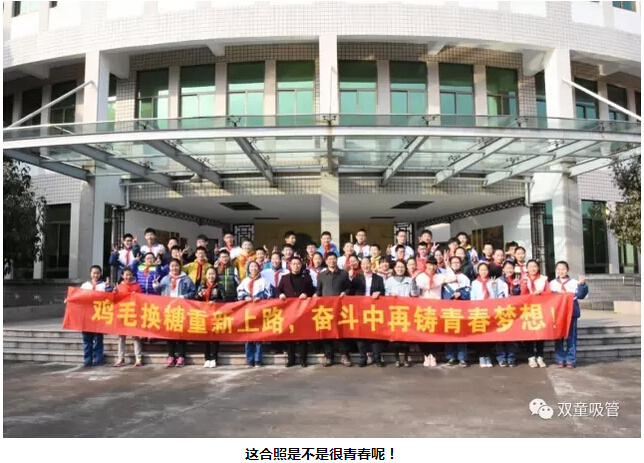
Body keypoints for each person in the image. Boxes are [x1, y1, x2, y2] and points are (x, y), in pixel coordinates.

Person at [154, 258, 196, 367]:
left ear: (180, 267)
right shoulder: (165, 279)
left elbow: (193, 291)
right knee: (170, 333)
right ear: (169, 267)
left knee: (181, 333)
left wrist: (184, 297)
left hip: (181, 309)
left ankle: (181, 356)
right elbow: (159, 292)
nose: (174, 268)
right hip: (169, 309)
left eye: (176, 266)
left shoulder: (186, 279)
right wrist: (156, 285)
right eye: (172, 266)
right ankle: (171, 356)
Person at [415, 256, 457, 367]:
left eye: (433, 265)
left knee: (436, 333)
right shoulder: (420, 276)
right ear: (426, 265)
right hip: (423, 308)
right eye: (429, 265)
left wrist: (447, 266)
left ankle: (433, 355)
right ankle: (426, 354)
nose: (431, 267)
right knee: (423, 333)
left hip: (436, 308)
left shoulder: (439, 277)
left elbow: (453, 277)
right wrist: (426, 287)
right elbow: (416, 288)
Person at [315, 252, 352, 367]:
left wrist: (345, 292)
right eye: (329, 259)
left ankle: (344, 355)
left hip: (340, 307)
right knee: (327, 332)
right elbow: (318, 291)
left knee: (342, 331)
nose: (332, 261)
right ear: (326, 261)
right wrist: (314, 296)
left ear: (337, 260)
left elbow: (349, 288)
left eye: (334, 259)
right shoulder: (322, 275)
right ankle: (328, 356)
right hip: (326, 309)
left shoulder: (343, 274)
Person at [277, 256, 315, 367]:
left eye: (298, 264)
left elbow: (312, 290)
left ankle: (303, 360)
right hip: (289, 311)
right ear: (290, 265)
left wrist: (306, 294)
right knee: (290, 336)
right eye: (293, 264)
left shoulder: (306, 277)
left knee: (303, 336)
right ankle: (291, 360)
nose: (296, 266)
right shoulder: (284, 278)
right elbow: (278, 290)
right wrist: (281, 294)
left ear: (301, 265)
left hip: (303, 310)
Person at [550, 261, 588, 369]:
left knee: (571, 337)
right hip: (558, 314)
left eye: (563, 269)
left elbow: (580, 295)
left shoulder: (574, 282)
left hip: (571, 313)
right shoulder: (552, 283)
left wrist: (582, 285)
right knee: (558, 337)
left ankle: (571, 360)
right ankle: (560, 359)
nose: (561, 271)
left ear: (567, 270)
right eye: (559, 269)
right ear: (556, 270)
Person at [471, 262, 508, 368]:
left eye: (485, 270)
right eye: (481, 270)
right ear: (478, 271)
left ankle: (488, 356)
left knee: (489, 335)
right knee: (480, 335)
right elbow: (473, 297)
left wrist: (494, 287)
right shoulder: (474, 283)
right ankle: (482, 356)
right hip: (479, 312)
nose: (483, 272)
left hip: (490, 312)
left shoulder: (492, 281)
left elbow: (496, 297)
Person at [351, 256, 386, 368]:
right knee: (360, 333)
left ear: (371, 265)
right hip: (360, 309)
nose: (366, 266)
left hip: (374, 309)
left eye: (367, 263)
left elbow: (383, 291)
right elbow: (351, 291)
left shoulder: (378, 278)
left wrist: (379, 293)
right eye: (363, 264)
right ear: (361, 266)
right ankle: (363, 357)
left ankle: (377, 358)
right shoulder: (357, 278)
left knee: (375, 333)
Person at [237, 260, 272, 367]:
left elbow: (269, 293)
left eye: (255, 266)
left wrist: (260, 296)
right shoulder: (245, 281)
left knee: (258, 336)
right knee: (248, 336)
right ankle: (249, 359)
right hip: (247, 311)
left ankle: (258, 360)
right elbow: (239, 292)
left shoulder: (264, 280)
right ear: (248, 269)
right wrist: (245, 296)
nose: (253, 268)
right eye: (251, 267)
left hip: (259, 311)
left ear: (259, 268)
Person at [385, 259, 419, 367]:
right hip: (394, 311)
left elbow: (414, 294)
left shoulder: (409, 280)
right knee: (395, 336)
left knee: (406, 336)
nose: (400, 269)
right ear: (394, 268)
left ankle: (405, 358)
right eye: (398, 267)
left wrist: (413, 282)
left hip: (406, 310)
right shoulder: (389, 281)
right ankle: (397, 358)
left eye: (402, 267)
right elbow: (385, 295)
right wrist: (390, 295)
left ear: (405, 268)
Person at [79, 265, 112, 367]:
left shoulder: (104, 285)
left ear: (100, 274)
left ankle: (98, 359)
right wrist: (69, 299)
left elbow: (110, 297)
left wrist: (109, 288)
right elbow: (78, 297)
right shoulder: (85, 286)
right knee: (87, 339)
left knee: (98, 339)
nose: (96, 275)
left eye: (97, 273)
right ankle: (87, 360)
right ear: (90, 274)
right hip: (87, 316)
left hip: (99, 316)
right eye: (94, 273)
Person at [521, 259, 551, 368]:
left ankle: (540, 357)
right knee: (529, 334)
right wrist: (524, 284)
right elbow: (522, 294)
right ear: (527, 268)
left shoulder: (544, 279)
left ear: (538, 268)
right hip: (528, 310)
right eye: (530, 267)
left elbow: (549, 293)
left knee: (540, 334)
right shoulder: (524, 279)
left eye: (534, 266)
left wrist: (541, 293)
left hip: (540, 309)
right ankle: (531, 357)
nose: (532, 269)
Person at [443, 256, 471, 367]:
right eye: (453, 262)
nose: (455, 264)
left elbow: (469, 292)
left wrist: (461, 294)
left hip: (461, 309)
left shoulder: (464, 278)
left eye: (457, 262)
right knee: (449, 333)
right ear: (450, 264)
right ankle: (450, 357)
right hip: (448, 309)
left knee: (461, 333)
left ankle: (462, 358)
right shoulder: (445, 277)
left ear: (461, 264)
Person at [113, 267, 144, 367]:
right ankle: (120, 358)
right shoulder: (119, 286)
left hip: (133, 314)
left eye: (130, 274)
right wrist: (114, 292)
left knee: (135, 337)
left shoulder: (137, 286)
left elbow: (142, 299)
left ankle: (138, 358)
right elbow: (115, 300)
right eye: (126, 275)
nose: (128, 277)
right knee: (121, 337)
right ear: (122, 276)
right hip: (122, 313)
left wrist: (136, 296)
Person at [496, 260, 522, 367]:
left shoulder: (517, 280)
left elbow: (520, 295)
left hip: (513, 311)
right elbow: (495, 295)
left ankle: (511, 357)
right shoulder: (498, 280)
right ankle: (501, 357)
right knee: (500, 336)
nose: (509, 270)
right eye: (506, 268)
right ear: (503, 269)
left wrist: (516, 286)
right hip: (500, 311)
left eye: (510, 268)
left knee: (512, 336)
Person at [197, 267, 221, 368]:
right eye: (209, 274)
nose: (211, 276)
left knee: (215, 338)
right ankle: (207, 358)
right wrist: (199, 296)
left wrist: (215, 302)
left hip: (215, 315)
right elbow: (195, 300)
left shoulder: (219, 286)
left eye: (213, 274)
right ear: (206, 276)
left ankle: (214, 358)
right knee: (205, 338)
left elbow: (224, 299)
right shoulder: (201, 286)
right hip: (204, 315)